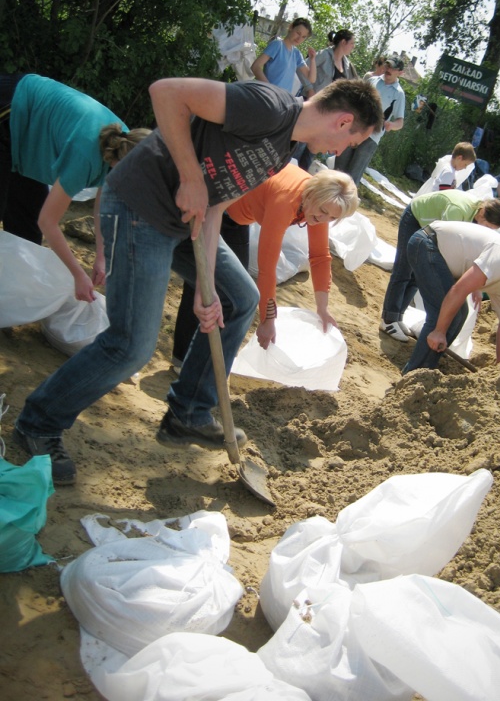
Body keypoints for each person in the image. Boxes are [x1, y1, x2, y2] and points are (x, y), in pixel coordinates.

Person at [12, 77, 383, 485]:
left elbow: (215, 207)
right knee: (131, 345)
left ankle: (189, 411)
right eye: (351, 141)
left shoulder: (282, 152)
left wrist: (205, 288)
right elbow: (166, 92)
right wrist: (190, 177)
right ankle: (39, 421)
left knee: (240, 297)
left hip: (185, 222)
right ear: (343, 121)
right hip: (140, 207)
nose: (341, 152)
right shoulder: (269, 107)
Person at [172, 166, 358, 362]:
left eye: (333, 218)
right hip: (216, 211)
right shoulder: (286, 200)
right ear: (312, 194)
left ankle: (202, 360)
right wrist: (267, 320)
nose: (324, 220)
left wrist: (323, 308)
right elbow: (267, 268)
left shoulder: (317, 206)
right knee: (218, 287)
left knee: (233, 295)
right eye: (323, 211)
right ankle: (184, 358)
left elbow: (319, 256)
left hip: (237, 220)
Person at [0, 73, 150, 301]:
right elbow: (48, 222)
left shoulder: (125, 145)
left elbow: (102, 205)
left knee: (27, 231)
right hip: (10, 107)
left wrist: (101, 256)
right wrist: (78, 274)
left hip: (25, 139)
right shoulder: (86, 157)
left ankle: (11, 300)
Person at [402, 221, 500, 374]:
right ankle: (413, 374)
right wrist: (439, 331)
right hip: (427, 243)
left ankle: (425, 368)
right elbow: (459, 290)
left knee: (460, 315)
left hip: (442, 258)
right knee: (442, 315)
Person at [380, 191, 500, 341]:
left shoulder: (475, 216)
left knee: (416, 277)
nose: (487, 231)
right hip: (416, 218)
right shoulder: (457, 211)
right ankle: (388, 320)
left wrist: (476, 287)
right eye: (487, 226)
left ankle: (397, 317)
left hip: (430, 230)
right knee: (403, 269)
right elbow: (445, 243)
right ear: (482, 213)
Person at [294, 28, 359, 170]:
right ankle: (288, 172)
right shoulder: (324, 55)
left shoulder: (347, 65)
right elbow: (301, 68)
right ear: (343, 42)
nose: (353, 47)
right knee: (300, 144)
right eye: (352, 43)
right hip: (312, 106)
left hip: (327, 113)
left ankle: (300, 176)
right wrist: (309, 89)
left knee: (313, 148)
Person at [334, 56, 405, 185]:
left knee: (353, 175)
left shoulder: (399, 93)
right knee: (339, 167)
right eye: (387, 66)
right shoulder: (372, 80)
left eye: (392, 68)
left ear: (400, 72)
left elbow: (400, 122)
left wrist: (391, 125)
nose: (388, 69)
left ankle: (345, 197)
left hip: (372, 137)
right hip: (354, 128)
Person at [250, 17, 316, 95]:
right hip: (268, 96)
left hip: (283, 99)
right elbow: (255, 66)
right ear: (291, 27)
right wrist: (270, 89)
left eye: (303, 37)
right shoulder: (278, 45)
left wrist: (312, 59)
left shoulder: (296, 54)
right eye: (298, 33)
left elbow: (311, 79)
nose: (299, 38)